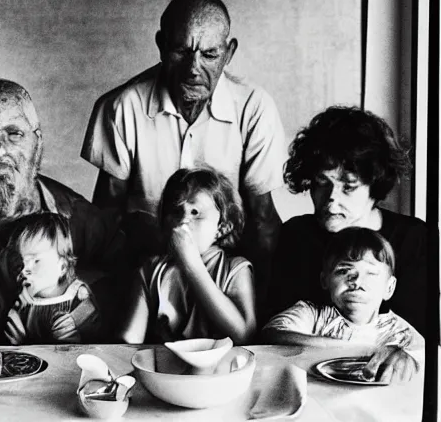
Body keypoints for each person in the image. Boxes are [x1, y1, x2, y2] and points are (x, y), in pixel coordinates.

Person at [81, 0, 287, 319]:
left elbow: (263, 221)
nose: (193, 68)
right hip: (147, 275)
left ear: (228, 53)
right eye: (181, 50)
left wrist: (258, 308)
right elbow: (106, 218)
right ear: (161, 45)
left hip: (223, 278)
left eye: (209, 54)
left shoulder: (254, 107)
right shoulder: (120, 107)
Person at [0, 77, 125, 345]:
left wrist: (83, 315)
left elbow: (128, 281)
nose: (0, 150)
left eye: (14, 133)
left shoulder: (77, 216)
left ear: (37, 145)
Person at [265, 105, 427, 381]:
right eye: (321, 183)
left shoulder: (414, 239)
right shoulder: (297, 235)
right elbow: (276, 336)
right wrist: (362, 347)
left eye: (348, 186)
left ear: (374, 187)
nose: (331, 199)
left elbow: (423, 341)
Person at [262, 227, 423, 383]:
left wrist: (406, 359)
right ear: (325, 280)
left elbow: (427, 359)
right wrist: (361, 350)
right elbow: (272, 333)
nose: (357, 282)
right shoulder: (313, 315)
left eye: (371, 273)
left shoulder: (400, 333)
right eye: (343, 271)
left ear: (389, 288)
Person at [118, 167, 257, 345]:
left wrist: (191, 264)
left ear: (222, 228)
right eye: (175, 211)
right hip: (166, 368)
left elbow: (244, 334)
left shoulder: (236, 269)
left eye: (195, 213)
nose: (183, 220)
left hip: (221, 369)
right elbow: (128, 340)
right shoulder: (151, 270)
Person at [1, 212, 101, 344]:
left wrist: (74, 338)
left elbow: (95, 336)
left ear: (63, 267)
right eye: (21, 261)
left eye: (36, 261)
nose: (24, 269)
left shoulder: (78, 296)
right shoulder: (25, 299)